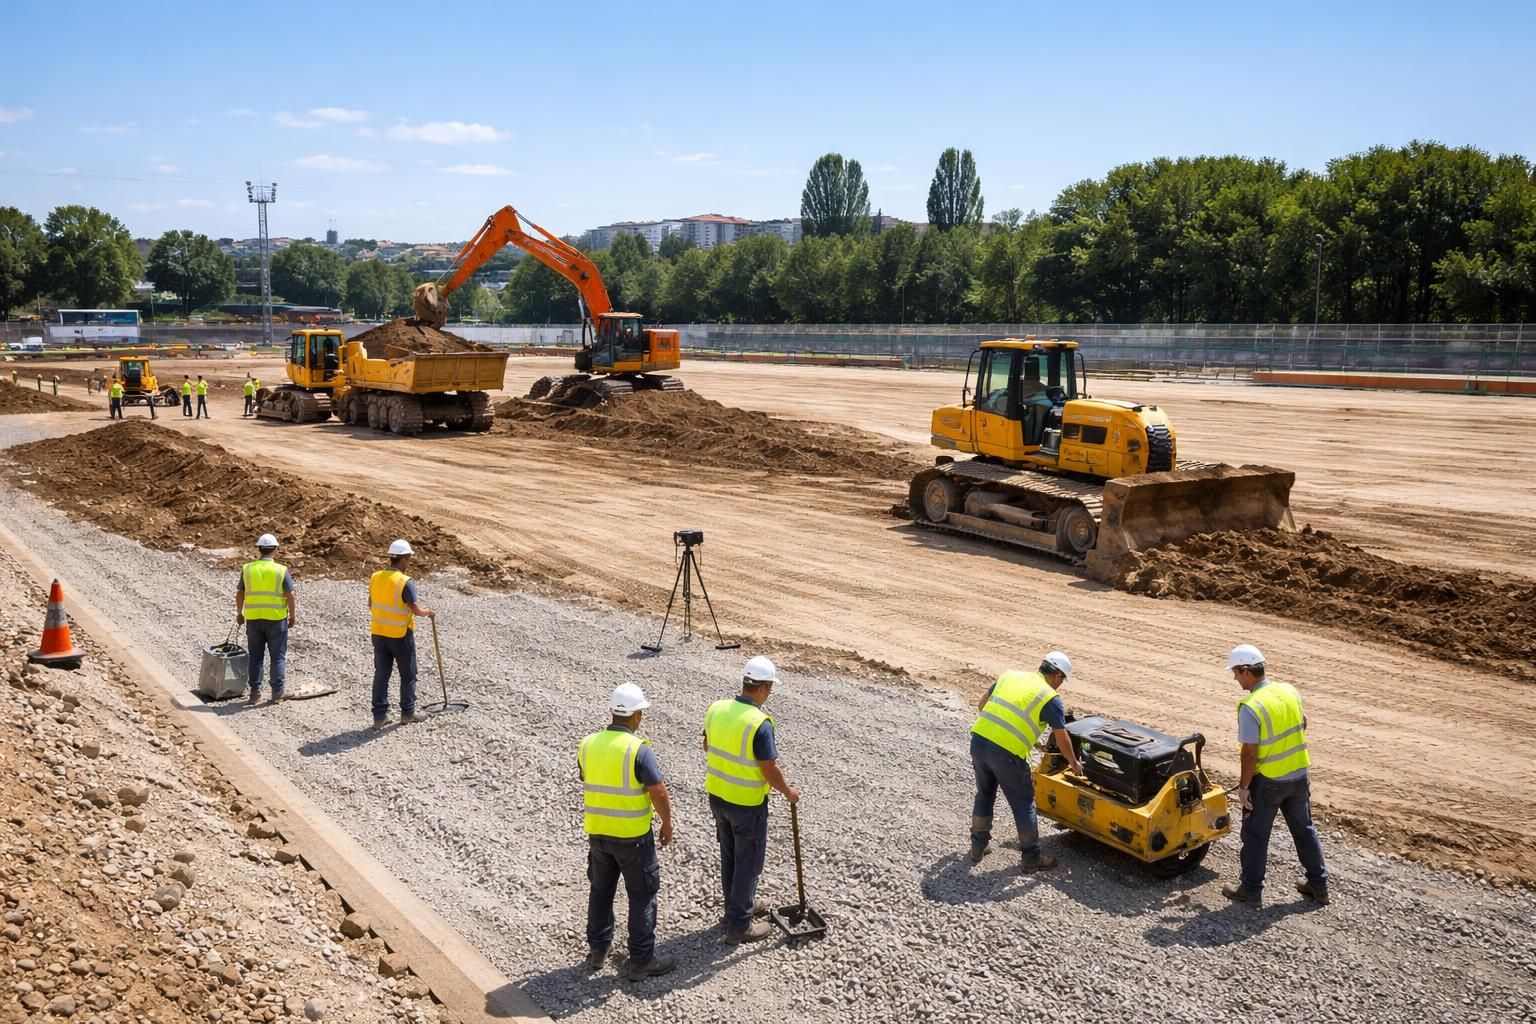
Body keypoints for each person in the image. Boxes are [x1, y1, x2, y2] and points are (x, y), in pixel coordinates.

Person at [579, 683, 677, 981]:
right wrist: (667, 822)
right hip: (633, 838)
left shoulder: (588, 744)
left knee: (600, 890)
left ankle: (598, 949)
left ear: (612, 712)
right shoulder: (638, 749)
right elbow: (657, 791)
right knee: (642, 896)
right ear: (635, 716)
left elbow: (588, 776)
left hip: (598, 834)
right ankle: (641, 961)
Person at [1221, 644, 1329, 907]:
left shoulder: (1250, 706)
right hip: (1299, 775)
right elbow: (1303, 722)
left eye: (1235, 672)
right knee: (1304, 830)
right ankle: (1319, 885)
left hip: (1268, 782)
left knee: (1256, 835)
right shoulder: (1288, 690)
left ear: (1246, 671)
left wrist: (1244, 787)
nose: (1235, 678)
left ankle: (1251, 889)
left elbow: (1249, 753)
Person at [702, 655, 797, 944]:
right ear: (765, 687)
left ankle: (736, 907)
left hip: (718, 797)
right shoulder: (760, 723)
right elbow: (769, 769)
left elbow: (707, 744)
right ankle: (739, 925)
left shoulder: (716, 709)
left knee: (730, 855)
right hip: (746, 804)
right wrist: (788, 791)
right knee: (748, 862)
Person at [968, 651, 1085, 871]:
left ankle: (977, 848)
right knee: (1024, 804)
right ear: (1058, 676)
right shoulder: (1050, 698)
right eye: (1062, 680)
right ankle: (1031, 859)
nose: (1060, 685)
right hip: (1007, 754)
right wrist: (1075, 764)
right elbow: (1062, 740)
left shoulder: (1010, 676)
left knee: (984, 794)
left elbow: (982, 705)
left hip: (979, 741)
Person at [368, 539, 434, 729]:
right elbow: (415, 609)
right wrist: (428, 613)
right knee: (408, 674)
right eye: (409, 558)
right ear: (404, 559)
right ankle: (408, 712)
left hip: (379, 633)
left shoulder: (375, 577)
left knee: (381, 674)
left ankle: (379, 716)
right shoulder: (404, 581)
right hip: (400, 635)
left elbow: (371, 604)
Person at [235, 533, 295, 705]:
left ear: (259, 549)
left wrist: (240, 613)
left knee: (255, 657)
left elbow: (240, 593)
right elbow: (289, 595)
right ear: (276, 549)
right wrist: (292, 616)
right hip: (276, 619)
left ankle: (255, 693)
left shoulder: (248, 569)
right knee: (278, 657)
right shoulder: (280, 570)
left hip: (253, 619)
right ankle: (277, 693)